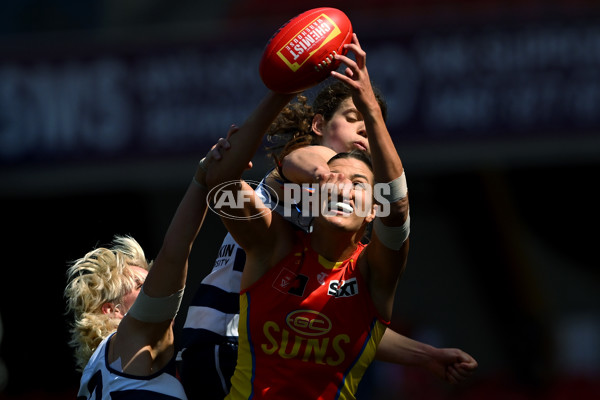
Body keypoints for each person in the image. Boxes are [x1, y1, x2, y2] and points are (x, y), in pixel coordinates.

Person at [178, 50, 477, 400]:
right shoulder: (304, 161)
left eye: (371, 124)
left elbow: (351, 328)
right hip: (223, 337)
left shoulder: (342, 258)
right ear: (319, 125)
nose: (364, 130)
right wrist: (340, 183)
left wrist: (427, 356)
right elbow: (306, 165)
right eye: (354, 118)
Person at [64, 135, 236, 399]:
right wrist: (201, 181)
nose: (155, 288)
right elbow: (174, 254)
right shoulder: (129, 341)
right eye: (140, 286)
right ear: (112, 311)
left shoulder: (96, 374)